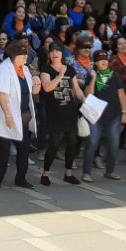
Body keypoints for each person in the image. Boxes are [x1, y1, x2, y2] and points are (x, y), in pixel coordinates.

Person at [0, 39, 39, 189]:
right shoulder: (4, 70)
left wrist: (37, 84)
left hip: (23, 116)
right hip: (7, 116)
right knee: (3, 151)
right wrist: (8, 115)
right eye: (24, 55)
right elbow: (2, 94)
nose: (26, 57)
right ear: (15, 55)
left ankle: (21, 178)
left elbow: (32, 91)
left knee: (24, 149)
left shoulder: (24, 69)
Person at [39, 41, 85, 186]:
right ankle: (45, 173)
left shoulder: (70, 69)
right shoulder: (45, 70)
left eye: (58, 51)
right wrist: (60, 75)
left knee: (72, 142)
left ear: (62, 54)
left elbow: (76, 90)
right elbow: (47, 88)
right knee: (54, 143)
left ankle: (68, 173)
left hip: (70, 111)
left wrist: (85, 100)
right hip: (54, 112)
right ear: (49, 54)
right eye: (52, 51)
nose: (55, 53)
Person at [81, 50, 126, 182]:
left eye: (105, 59)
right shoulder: (91, 76)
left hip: (114, 115)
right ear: (95, 62)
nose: (103, 62)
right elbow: (88, 95)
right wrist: (94, 79)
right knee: (92, 142)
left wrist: (124, 112)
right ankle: (86, 172)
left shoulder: (114, 76)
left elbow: (121, 94)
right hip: (95, 115)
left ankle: (110, 171)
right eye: (100, 60)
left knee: (114, 144)